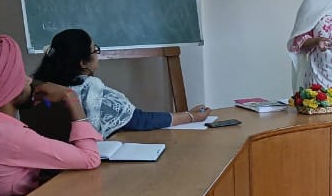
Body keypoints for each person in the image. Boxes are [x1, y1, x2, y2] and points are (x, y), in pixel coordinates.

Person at [0, 34, 102, 196]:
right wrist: (71, 98)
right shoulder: (12, 136)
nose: (28, 80)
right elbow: (90, 159)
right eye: (20, 76)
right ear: (8, 89)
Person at [32, 29, 212, 137]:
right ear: (82, 62)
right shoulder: (91, 89)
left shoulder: (38, 87)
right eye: (95, 50)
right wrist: (190, 117)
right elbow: (140, 120)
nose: (97, 54)